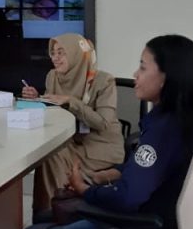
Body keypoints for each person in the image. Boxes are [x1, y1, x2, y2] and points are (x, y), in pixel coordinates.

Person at [21, 35, 193, 229]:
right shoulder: (179, 119)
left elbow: (128, 197)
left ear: (166, 77)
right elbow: (150, 170)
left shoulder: (163, 131)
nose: (135, 74)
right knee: (49, 222)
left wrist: (86, 191)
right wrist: (111, 174)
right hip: (159, 222)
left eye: (143, 67)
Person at [22, 33, 124, 214]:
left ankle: (57, 212)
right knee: (49, 153)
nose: (55, 58)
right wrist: (38, 99)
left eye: (61, 52)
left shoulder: (103, 81)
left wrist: (71, 101)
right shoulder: (53, 76)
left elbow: (103, 123)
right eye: (53, 53)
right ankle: (46, 212)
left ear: (76, 53)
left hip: (98, 147)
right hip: (70, 141)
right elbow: (55, 110)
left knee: (54, 155)